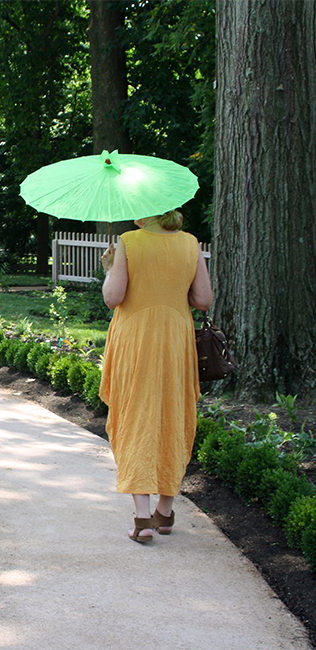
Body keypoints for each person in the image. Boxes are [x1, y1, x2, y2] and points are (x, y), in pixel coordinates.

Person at [99, 209, 213, 543]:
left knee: (137, 414)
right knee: (172, 414)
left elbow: (112, 298)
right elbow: (203, 301)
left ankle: (142, 518)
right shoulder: (191, 244)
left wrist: (110, 268)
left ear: (144, 212)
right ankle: (165, 511)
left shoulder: (128, 242)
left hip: (136, 338)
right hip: (176, 339)